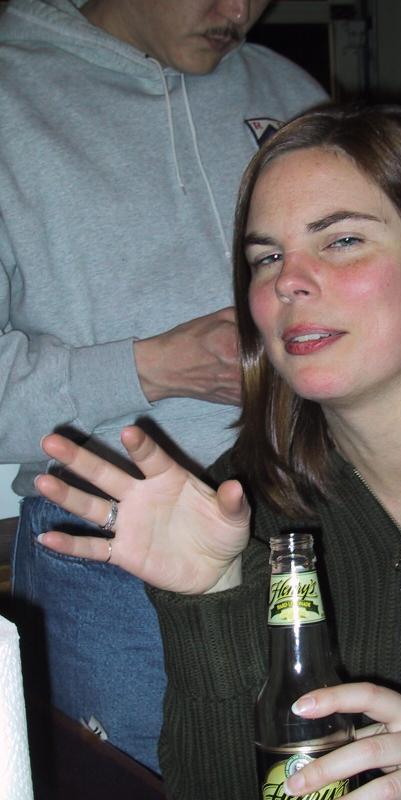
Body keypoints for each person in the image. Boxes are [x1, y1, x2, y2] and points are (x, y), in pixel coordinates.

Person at [35, 105, 401, 799]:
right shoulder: (245, 501)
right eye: (266, 258)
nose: (288, 282)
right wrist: (210, 599)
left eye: (342, 241)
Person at [0, 0, 326, 773]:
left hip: (317, 514)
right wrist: (152, 367)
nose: (238, 11)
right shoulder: (10, 95)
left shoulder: (293, 94)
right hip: (113, 544)